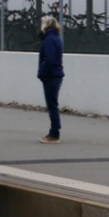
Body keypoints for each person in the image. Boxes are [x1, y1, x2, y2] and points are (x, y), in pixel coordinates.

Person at [37, 15, 64, 143]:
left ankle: (54, 134)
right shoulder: (56, 38)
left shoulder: (49, 40)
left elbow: (49, 60)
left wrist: (41, 74)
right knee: (53, 105)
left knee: (52, 106)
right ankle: (54, 132)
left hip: (51, 76)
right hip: (56, 75)